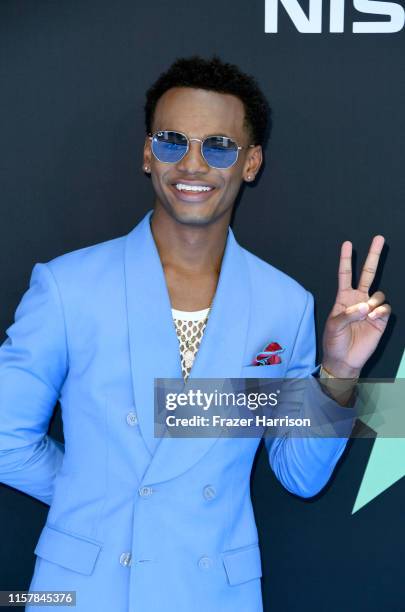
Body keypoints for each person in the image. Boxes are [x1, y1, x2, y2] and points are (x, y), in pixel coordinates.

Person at [0, 56, 390, 612]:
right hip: (85, 588)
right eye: (171, 141)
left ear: (251, 162)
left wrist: (340, 374)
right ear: (146, 153)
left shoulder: (284, 304)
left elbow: (299, 475)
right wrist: (93, 495)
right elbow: (4, 438)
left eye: (219, 147)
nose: (192, 164)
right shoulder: (68, 286)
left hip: (213, 592)